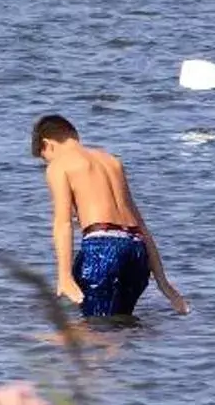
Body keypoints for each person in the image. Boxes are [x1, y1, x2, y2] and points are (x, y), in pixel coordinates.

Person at [32, 114, 188, 318]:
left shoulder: (60, 165)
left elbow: (63, 223)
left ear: (48, 145)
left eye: (45, 159)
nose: (47, 163)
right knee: (120, 327)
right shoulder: (112, 162)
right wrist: (162, 281)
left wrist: (64, 276)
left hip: (102, 247)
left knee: (95, 329)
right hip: (136, 249)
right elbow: (140, 224)